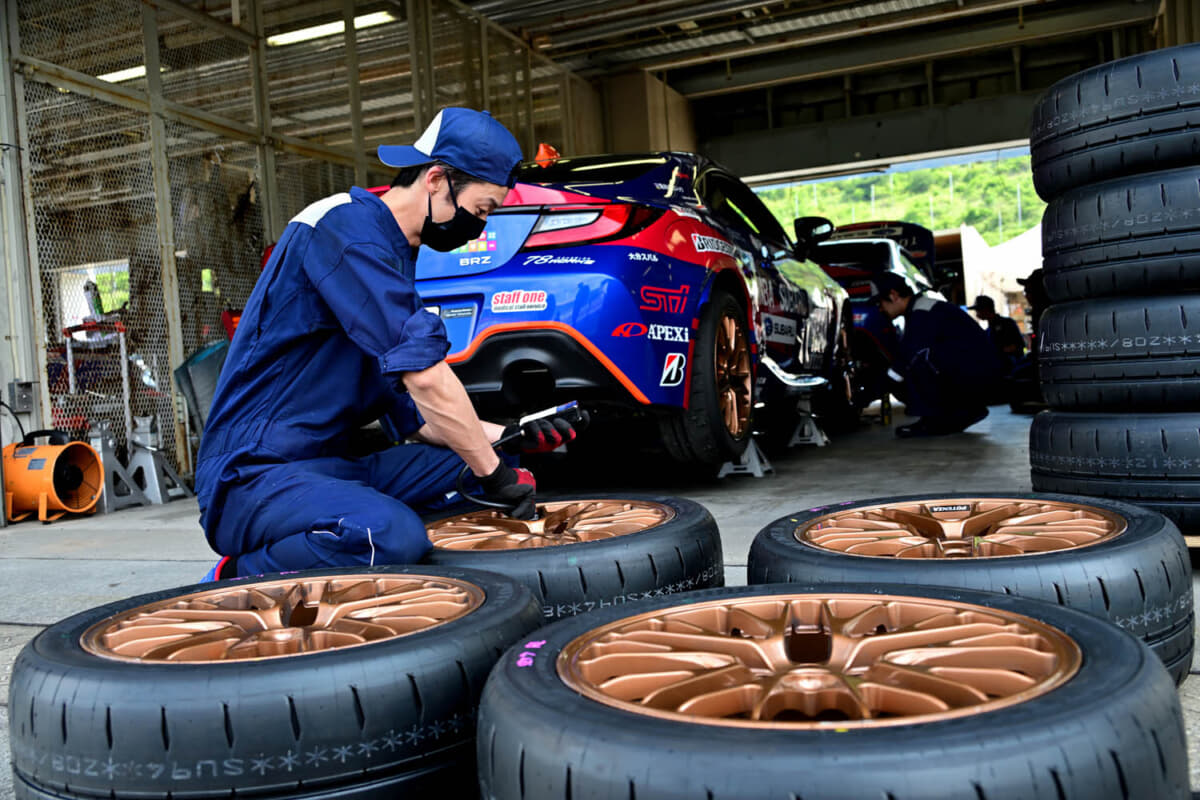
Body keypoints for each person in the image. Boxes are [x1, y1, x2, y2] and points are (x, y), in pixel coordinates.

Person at [195, 108, 586, 581]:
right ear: (437, 179)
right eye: (482, 209)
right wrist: (494, 475)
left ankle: (348, 542)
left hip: (330, 467)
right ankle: (241, 572)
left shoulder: (394, 255)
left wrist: (511, 434)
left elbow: (417, 421)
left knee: (484, 466)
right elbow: (425, 378)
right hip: (254, 475)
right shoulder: (343, 230)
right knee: (389, 535)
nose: (479, 226)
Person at [869, 272, 1007, 438]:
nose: (880, 309)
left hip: (980, 379)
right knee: (911, 361)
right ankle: (961, 413)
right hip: (980, 376)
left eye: (880, 303)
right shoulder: (922, 308)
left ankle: (935, 420)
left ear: (893, 295)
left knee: (915, 360)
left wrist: (867, 396)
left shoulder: (922, 313)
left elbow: (906, 360)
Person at [968, 294, 1026, 368]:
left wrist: (996, 352)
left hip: (1011, 369)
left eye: (978, 310)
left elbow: (1018, 345)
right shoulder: (988, 331)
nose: (977, 314)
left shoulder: (1007, 323)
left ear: (985, 309)